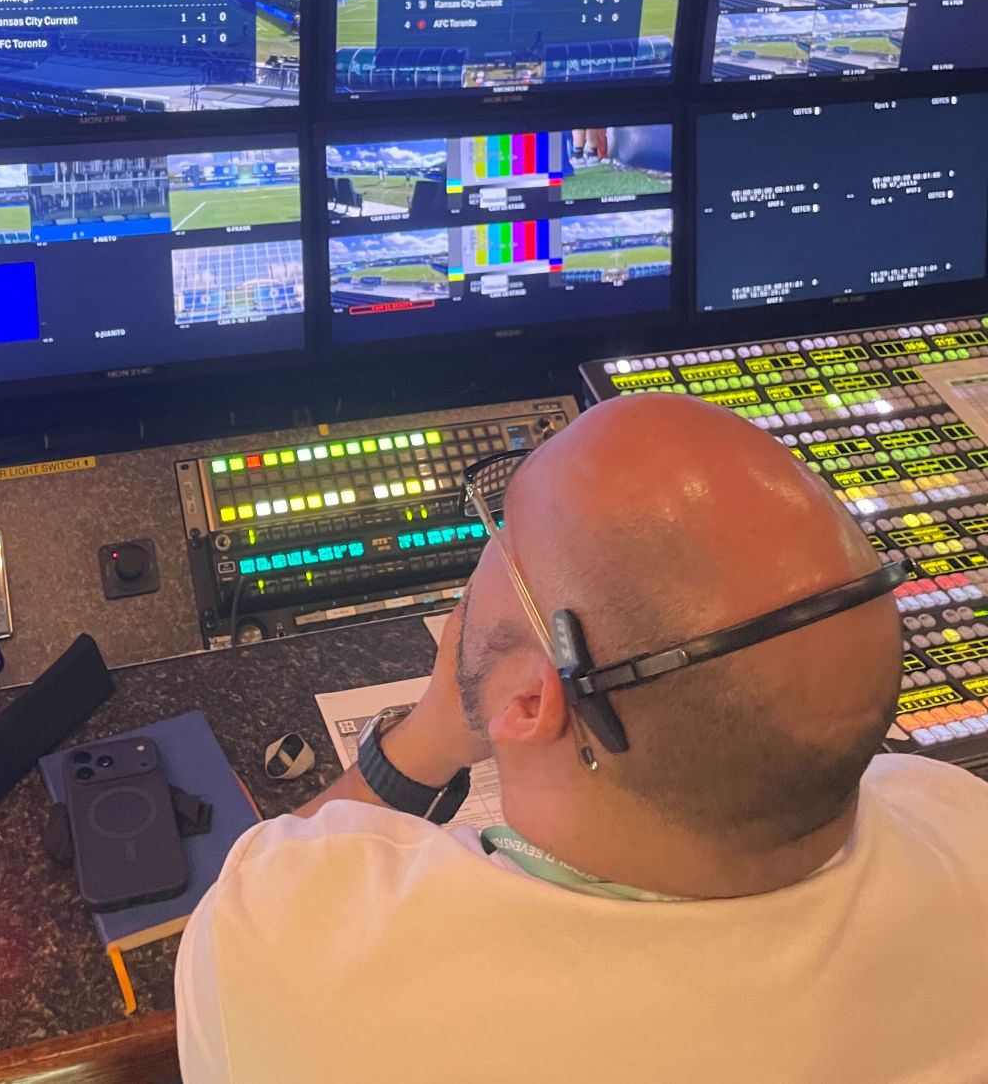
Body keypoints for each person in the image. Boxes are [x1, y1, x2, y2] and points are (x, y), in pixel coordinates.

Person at [176, 393, 988, 1082]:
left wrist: (426, 739)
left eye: (504, 538)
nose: (486, 555)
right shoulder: (959, 818)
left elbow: (258, 897)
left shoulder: (291, 944)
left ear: (533, 701)